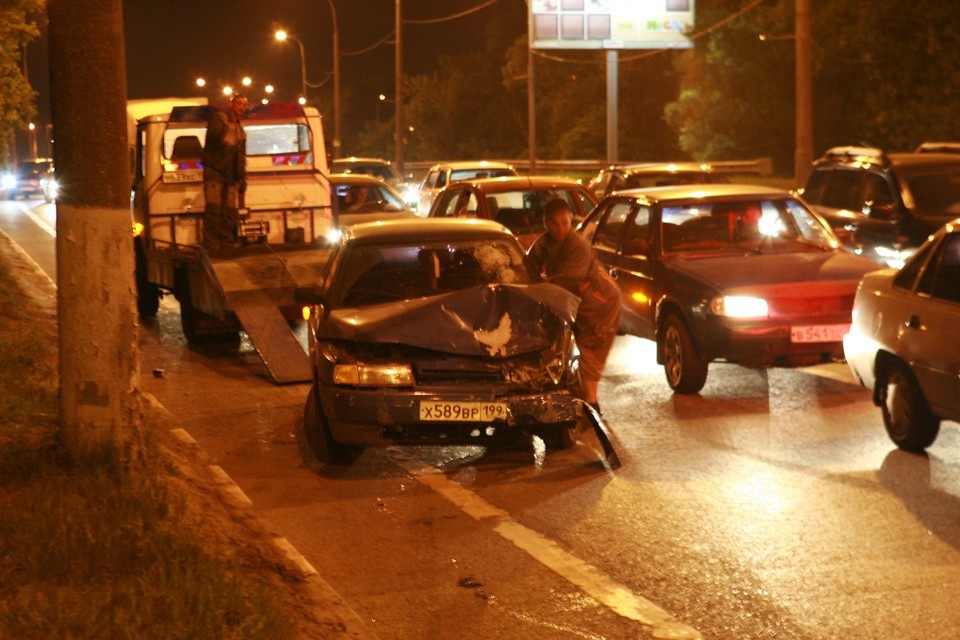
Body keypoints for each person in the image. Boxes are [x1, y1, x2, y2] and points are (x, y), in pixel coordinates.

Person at [527, 198, 621, 414]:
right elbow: (528, 268)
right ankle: (583, 399)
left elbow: (567, 282)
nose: (561, 228)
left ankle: (592, 406)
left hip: (599, 302)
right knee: (572, 345)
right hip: (576, 302)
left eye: (566, 222)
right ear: (546, 223)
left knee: (591, 348)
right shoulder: (544, 244)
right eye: (556, 223)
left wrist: (542, 283)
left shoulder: (576, 245)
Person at [202, 93, 248, 252]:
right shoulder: (220, 119)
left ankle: (226, 242)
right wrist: (223, 140)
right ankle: (211, 244)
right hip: (216, 171)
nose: (241, 107)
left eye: (244, 105)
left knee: (230, 211)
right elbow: (211, 143)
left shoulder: (240, 129)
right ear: (232, 104)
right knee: (214, 209)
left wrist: (242, 177)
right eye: (239, 103)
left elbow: (241, 156)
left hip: (231, 174)